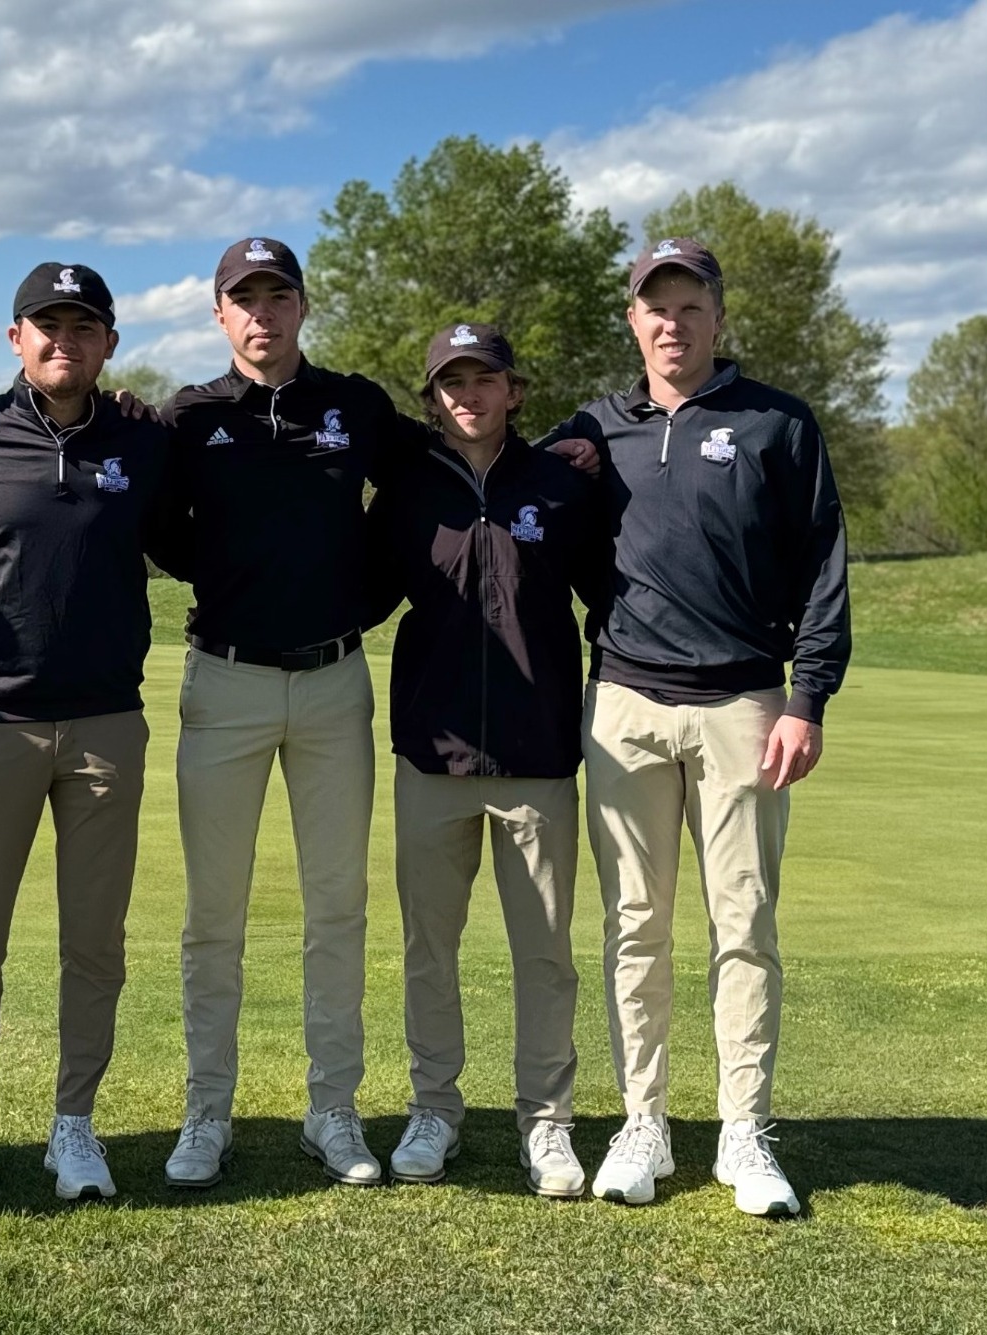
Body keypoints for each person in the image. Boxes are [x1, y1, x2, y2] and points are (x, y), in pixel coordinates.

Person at [546, 238, 850, 1217]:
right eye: (653, 307)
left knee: (744, 923)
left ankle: (743, 1131)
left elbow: (822, 570)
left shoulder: (778, 424)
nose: (671, 323)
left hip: (746, 706)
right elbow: (540, 521)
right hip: (626, 704)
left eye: (689, 305)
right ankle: (644, 1124)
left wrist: (809, 699)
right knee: (635, 926)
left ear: (718, 316)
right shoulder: (594, 431)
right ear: (631, 322)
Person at [0, 263, 171, 1202]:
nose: (64, 340)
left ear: (108, 342)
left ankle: (74, 1124)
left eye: (83, 326)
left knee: (93, 941)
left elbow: (194, 534)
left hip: (106, 725)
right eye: (45, 325)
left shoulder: (143, 441)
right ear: (14, 338)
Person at [154, 237, 405, 1189]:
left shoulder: (357, 407)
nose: (262, 314)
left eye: (277, 296)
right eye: (242, 299)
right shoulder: (189, 417)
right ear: (219, 316)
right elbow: (155, 527)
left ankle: (332, 1110)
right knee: (212, 916)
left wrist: (363, 599)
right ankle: (205, 1111)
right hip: (224, 682)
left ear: (303, 307)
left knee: (336, 907)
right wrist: (222, 577)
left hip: (335, 681)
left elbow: (413, 502)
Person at [365, 324, 610, 1198]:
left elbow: (614, 595)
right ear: (431, 397)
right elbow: (355, 589)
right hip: (431, 756)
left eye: (483, 378)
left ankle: (546, 1122)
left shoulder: (559, 483)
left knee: (542, 953)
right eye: (449, 382)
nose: (466, 394)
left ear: (513, 389)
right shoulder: (404, 487)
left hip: (537, 755)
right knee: (430, 948)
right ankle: (434, 1107)